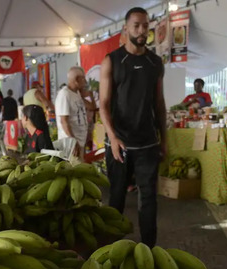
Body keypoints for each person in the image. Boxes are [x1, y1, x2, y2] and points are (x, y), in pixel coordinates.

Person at [99, 6, 166, 247]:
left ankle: (150, 250)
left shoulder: (155, 62)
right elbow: (103, 105)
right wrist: (113, 137)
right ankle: (112, 250)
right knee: (116, 199)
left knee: (148, 200)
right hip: (120, 143)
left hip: (147, 142)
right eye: (136, 25)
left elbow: (159, 104)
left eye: (145, 25)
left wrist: (164, 140)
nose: (141, 30)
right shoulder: (113, 61)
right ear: (126, 29)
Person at [55, 67, 89, 159]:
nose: (85, 81)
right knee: (73, 170)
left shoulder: (76, 93)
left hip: (80, 141)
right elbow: (64, 121)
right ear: (77, 79)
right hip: (70, 144)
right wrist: (72, 142)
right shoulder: (64, 94)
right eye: (83, 78)